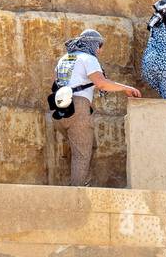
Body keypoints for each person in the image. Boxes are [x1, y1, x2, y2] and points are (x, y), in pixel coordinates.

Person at [54, 28, 142, 187]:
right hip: (78, 106)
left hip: (59, 108)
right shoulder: (88, 58)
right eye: (100, 45)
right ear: (94, 44)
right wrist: (126, 88)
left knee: (83, 148)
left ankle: (77, 184)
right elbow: (101, 83)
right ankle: (76, 195)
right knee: (82, 154)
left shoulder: (64, 58)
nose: (100, 50)